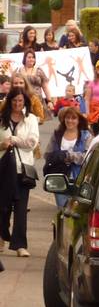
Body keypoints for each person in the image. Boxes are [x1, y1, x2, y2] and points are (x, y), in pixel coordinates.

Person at [0, 87, 40, 258]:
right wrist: (2, 145)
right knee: (3, 207)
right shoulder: (2, 119)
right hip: (4, 168)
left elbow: (31, 142)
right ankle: (2, 237)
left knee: (21, 208)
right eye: (14, 100)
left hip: (23, 169)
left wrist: (14, 140)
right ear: (10, 101)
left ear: (25, 102)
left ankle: (20, 245)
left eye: (20, 101)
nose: (17, 104)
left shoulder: (31, 119)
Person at [43, 106, 91, 208]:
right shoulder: (57, 134)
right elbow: (47, 154)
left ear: (79, 120)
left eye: (73, 118)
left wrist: (69, 156)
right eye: (67, 118)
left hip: (79, 179)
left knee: (76, 209)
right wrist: (59, 156)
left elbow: (88, 157)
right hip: (59, 177)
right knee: (63, 208)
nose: (70, 121)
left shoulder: (86, 136)